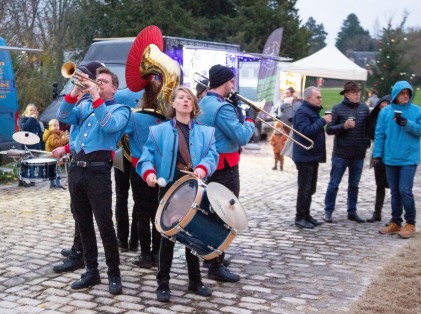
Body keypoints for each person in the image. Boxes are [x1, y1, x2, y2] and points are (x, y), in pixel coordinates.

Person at [137, 86, 218, 302]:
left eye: (189, 98)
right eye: (180, 98)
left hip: (195, 189)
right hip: (170, 188)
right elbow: (146, 157)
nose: (185, 101)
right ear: (172, 104)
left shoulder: (206, 132)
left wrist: (203, 167)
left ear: (194, 105)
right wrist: (149, 173)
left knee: (194, 236)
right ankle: (163, 284)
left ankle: (195, 281)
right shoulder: (158, 131)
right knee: (168, 237)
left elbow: (212, 155)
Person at [56, 66, 131, 294]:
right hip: (77, 169)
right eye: (97, 80)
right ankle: (91, 270)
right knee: (83, 223)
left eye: (104, 81)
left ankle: (114, 273)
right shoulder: (84, 105)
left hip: (98, 171)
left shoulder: (122, 109)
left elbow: (109, 125)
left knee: (104, 223)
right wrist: (75, 91)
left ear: (114, 88)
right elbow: (63, 116)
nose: (98, 83)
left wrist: (96, 96)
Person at [197, 64, 257, 282]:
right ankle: (216, 265)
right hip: (225, 167)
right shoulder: (223, 108)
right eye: (232, 81)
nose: (233, 85)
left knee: (210, 213)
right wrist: (251, 119)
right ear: (224, 82)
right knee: (225, 215)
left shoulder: (204, 102)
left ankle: (210, 255)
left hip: (211, 165)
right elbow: (241, 136)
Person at [51, 61, 104, 274]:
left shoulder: (92, 103)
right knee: (77, 210)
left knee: (82, 211)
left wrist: (65, 148)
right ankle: (78, 246)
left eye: (83, 76)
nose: (78, 78)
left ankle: (79, 252)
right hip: (77, 160)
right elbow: (65, 121)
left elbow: (83, 138)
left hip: (87, 162)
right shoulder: (80, 101)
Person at [125, 80, 166, 268]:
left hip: (140, 169)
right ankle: (158, 254)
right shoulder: (166, 118)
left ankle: (145, 255)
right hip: (161, 171)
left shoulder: (135, 117)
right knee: (159, 211)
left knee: (142, 213)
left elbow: (120, 137)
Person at [374, 81, 421, 239]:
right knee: (394, 192)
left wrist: (407, 123)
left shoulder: (417, 111)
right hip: (390, 158)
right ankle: (395, 221)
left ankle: (410, 223)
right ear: (396, 94)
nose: (406, 95)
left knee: (404, 191)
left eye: (408, 93)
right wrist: (377, 154)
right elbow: (380, 134)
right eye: (402, 93)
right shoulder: (386, 112)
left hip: (409, 158)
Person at [323, 81, 370, 223]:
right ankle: (328, 211)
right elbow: (329, 130)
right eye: (354, 92)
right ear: (347, 94)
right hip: (341, 154)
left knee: (354, 185)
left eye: (358, 92)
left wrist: (366, 142)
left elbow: (367, 128)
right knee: (334, 184)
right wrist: (343, 126)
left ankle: (352, 212)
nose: (357, 94)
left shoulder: (364, 108)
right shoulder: (337, 108)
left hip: (358, 155)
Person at [292, 86, 331, 229]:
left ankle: (307, 215)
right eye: (317, 97)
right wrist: (322, 121)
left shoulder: (311, 111)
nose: (320, 99)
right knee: (304, 188)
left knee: (310, 188)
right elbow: (306, 132)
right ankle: (300, 217)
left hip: (312, 155)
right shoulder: (302, 112)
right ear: (309, 98)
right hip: (304, 156)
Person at [366, 95, 391, 223]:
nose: (383, 110)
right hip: (378, 155)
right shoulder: (375, 119)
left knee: (394, 186)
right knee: (379, 185)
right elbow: (371, 134)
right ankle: (377, 213)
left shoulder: (394, 118)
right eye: (381, 107)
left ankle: (395, 216)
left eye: (386, 107)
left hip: (392, 155)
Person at [43, 118, 69, 189]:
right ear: (50, 127)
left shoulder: (56, 134)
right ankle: (57, 184)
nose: (56, 127)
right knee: (57, 170)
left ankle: (53, 184)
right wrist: (64, 140)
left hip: (54, 156)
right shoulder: (52, 135)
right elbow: (55, 143)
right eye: (54, 126)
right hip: (53, 156)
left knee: (53, 170)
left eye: (57, 125)